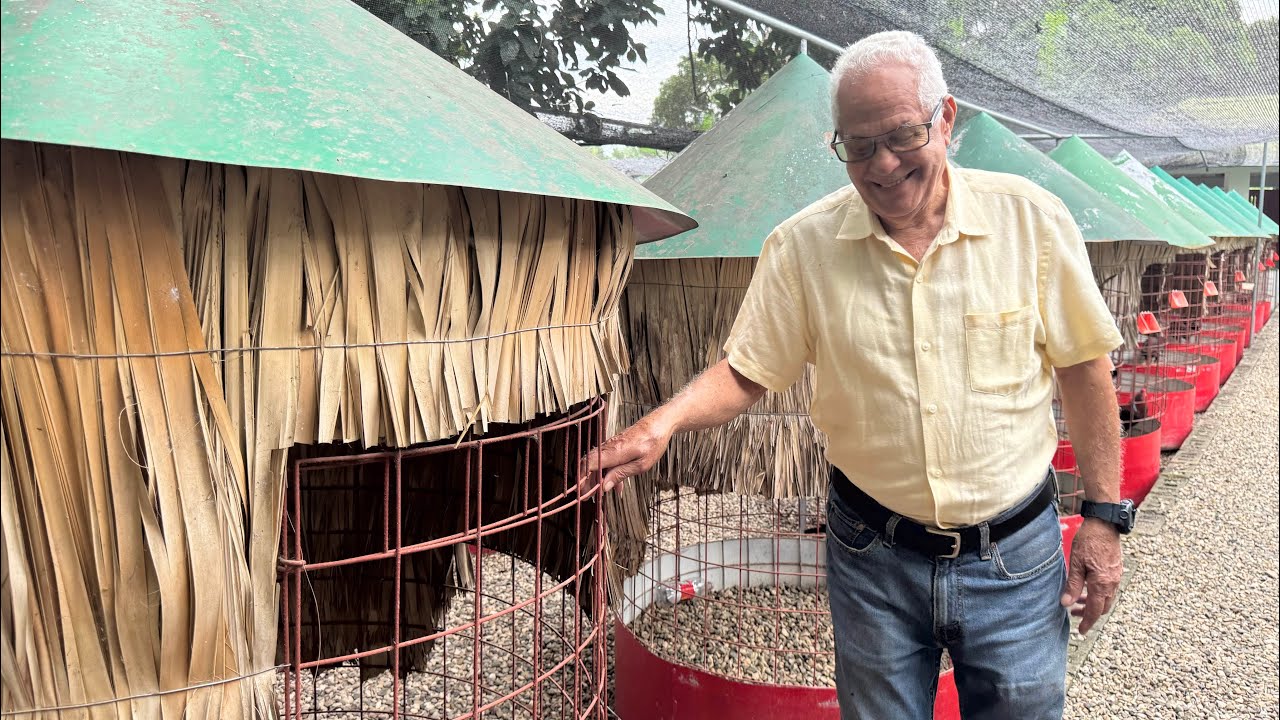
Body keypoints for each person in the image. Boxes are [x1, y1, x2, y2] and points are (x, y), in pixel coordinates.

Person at [586, 30, 1128, 720]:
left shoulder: (1030, 221)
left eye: (902, 135)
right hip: (874, 555)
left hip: (1013, 555)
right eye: (859, 145)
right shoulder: (804, 247)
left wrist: (1105, 521)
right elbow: (749, 370)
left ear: (946, 118)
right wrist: (663, 421)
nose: (883, 163)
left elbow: (1085, 369)